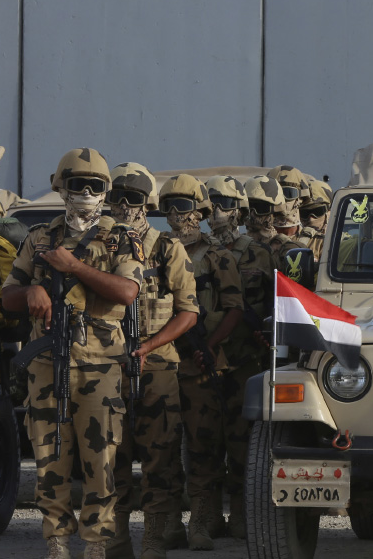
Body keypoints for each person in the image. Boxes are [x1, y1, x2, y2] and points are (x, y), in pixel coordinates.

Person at [2, 148, 144, 559]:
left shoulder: (120, 238)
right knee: (50, 458)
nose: (85, 192)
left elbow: (127, 292)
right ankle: (57, 541)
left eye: (94, 185)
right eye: (77, 184)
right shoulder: (39, 237)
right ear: (60, 187)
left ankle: (96, 543)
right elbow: (7, 295)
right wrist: (31, 291)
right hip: (47, 364)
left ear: (105, 191)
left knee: (100, 460)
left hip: (100, 367)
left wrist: (75, 267)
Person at [105, 163, 199, 559]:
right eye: (118, 197)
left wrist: (149, 346)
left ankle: (155, 539)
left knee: (160, 459)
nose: (126, 205)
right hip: (106, 366)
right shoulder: (99, 245)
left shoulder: (166, 248)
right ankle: (116, 539)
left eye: (135, 198)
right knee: (111, 457)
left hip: (156, 367)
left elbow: (188, 312)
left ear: (148, 203)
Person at [159, 174, 244, 550]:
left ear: (200, 211)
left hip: (200, 365)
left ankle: (201, 521)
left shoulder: (217, 256)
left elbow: (234, 308)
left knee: (202, 447)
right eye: (169, 207)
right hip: (161, 363)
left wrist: (209, 345)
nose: (177, 215)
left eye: (184, 206)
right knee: (161, 448)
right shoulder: (154, 251)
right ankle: (168, 522)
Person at [205, 174, 277, 538]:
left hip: (244, 360)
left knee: (242, 442)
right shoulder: (195, 250)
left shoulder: (259, 253)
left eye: (226, 203)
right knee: (203, 441)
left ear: (239, 210)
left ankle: (240, 514)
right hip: (202, 358)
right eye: (212, 203)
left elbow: (275, 305)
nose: (218, 210)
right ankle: (206, 515)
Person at [244, 175, 307, 278]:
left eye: (260, 207)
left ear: (275, 211)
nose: (252, 213)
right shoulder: (234, 246)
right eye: (248, 206)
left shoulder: (291, 251)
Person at [298, 178, 333, 256]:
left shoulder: (341, 242)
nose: (311, 219)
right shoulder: (293, 242)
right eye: (304, 213)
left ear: (329, 212)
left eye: (317, 211)